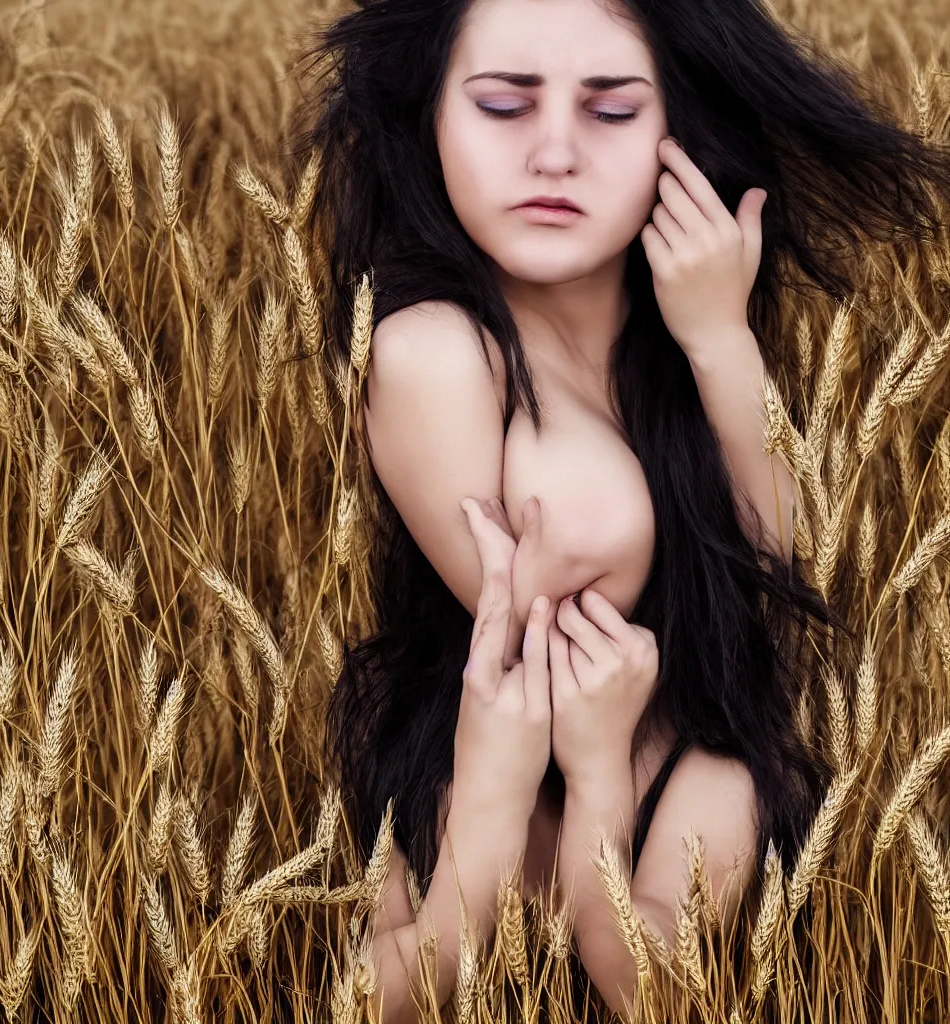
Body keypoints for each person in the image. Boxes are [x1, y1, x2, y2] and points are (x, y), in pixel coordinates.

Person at [287, 0, 950, 1017]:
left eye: (611, 111)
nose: (553, 152)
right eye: (504, 104)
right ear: (429, 123)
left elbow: (786, 557)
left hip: (670, 738)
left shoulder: (676, 354)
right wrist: (497, 797)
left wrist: (718, 335)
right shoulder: (431, 351)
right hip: (473, 738)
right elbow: (517, 629)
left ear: (673, 139)